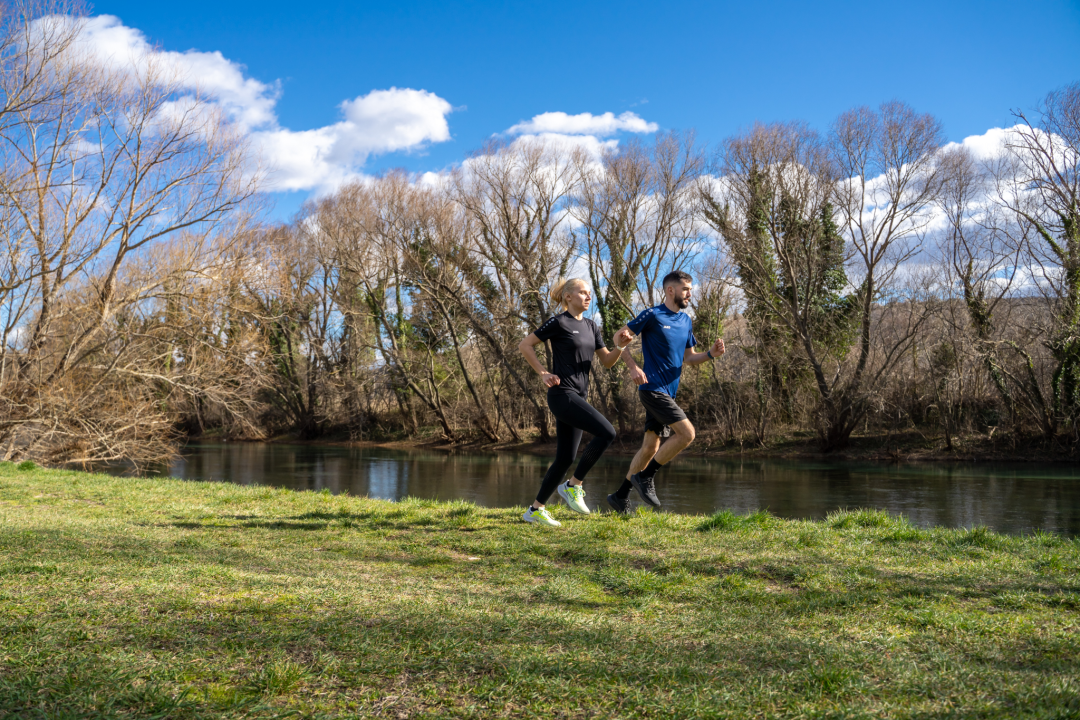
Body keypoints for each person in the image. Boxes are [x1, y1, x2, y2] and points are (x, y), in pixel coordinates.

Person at [608, 270, 725, 513]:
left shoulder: (686, 321)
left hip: (668, 393)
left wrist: (711, 354)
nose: (689, 294)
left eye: (691, 289)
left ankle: (620, 496)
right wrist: (633, 367)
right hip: (652, 389)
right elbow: (618, 337)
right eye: (686, 289)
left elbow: (689, 358)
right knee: (687, 434)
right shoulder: (652, 314)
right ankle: (646, 476)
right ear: (671, 290)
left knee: (650, 448)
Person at [517, 278, 631, 527]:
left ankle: (535, 510)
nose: (588, 297)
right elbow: (525, 345)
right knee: (607, 432)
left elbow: (607, 362)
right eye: (582, 293)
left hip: (579, 396)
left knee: (565, 458)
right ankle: (573, 485)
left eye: (589, 293)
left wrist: (619, 347)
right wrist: (543, 373)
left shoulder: (591, 326)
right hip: (562, 394)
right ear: (568, 296)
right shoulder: (559, 322)